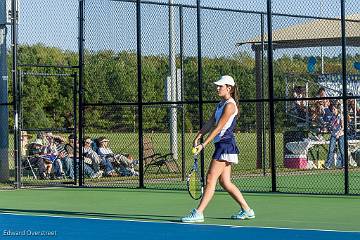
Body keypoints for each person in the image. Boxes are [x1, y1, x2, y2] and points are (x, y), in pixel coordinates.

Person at [181, 75, 255, 223]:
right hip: (222, 144)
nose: (217, 88)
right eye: (217, 85)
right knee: (225, 182)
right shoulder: (220, 104)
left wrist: (204, 144)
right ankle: (247, 210)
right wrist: (198, 136)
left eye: (220, 86)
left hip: (225, 145)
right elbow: (210, 122)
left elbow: (219, 127)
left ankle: (199, 212)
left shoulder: (230, 105)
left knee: (210, 178)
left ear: (229, 88)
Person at [323, 104, 345, 169]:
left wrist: (339, 133)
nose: (333, 110)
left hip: (340, 135)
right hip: (333, 135)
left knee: (341, 150)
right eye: (332, 109)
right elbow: (331, 126)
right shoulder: (332, 117)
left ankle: (343, 165)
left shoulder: (340, 116)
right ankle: (328, 164)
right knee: (331, 149)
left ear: (337, 109)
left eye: (334, 109)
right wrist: (328, 127)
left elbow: (343, 127)